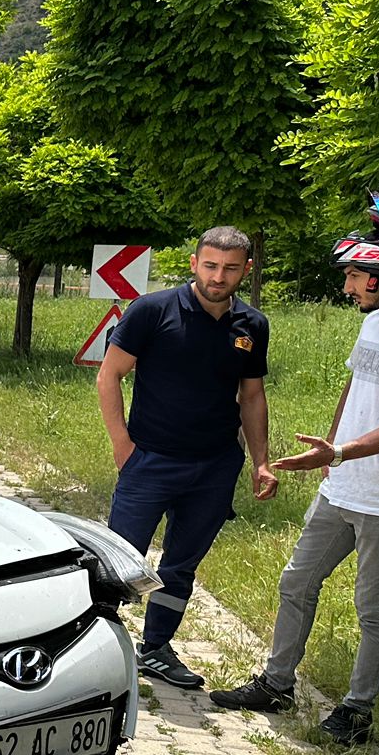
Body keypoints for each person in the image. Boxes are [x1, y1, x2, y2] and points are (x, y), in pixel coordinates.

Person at [211, 195, 379, 744]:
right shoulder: (376, 323)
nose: (348, 287)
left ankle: (357, 711)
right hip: (342, 484)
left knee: (373, 608)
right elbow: (356, 386)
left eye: (355, 275)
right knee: (297, 581)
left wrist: (341, 453)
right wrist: (331, 449)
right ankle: (276, 684)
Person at [98, 228, 278, 688]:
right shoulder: (151, 310)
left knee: (180, 566)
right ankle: (95, 646)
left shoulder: (252, 326)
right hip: (150, 461)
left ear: (246, 270)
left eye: (231, 268)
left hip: (215, 467)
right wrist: (124, 446)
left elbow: (252, 396)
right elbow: (110, 376)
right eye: (211, 265)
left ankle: (155, 648)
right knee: (121, 559)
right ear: (195, 262)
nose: (219, 276)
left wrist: (260, 460)